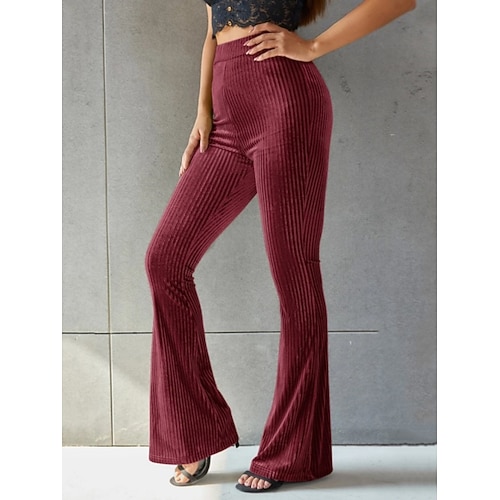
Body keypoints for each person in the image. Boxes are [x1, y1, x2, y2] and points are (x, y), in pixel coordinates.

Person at [145, 0, 416, 493]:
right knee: (165, 260)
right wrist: (202, 110)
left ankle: (292, 453)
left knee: (294, 276)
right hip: (225, 120)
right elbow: (213, 30)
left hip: (285, 105)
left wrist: (314, 47)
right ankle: (195, 432)